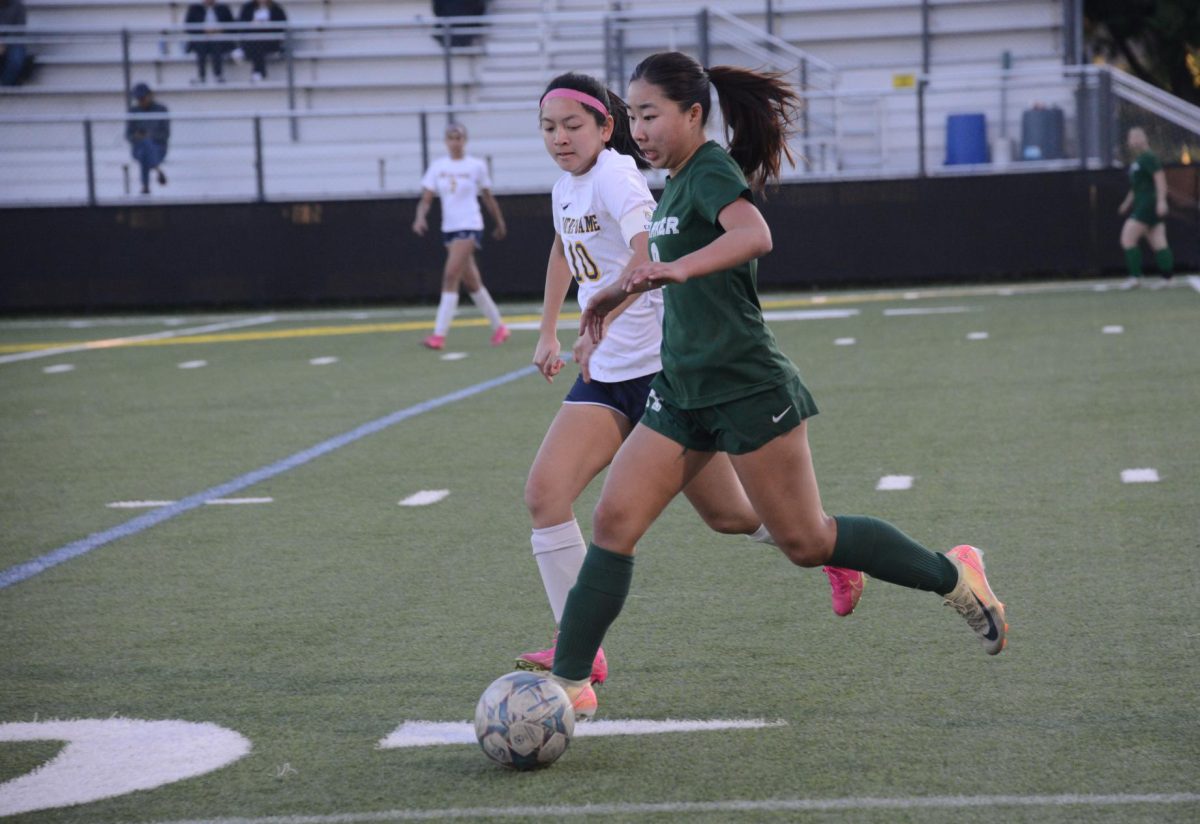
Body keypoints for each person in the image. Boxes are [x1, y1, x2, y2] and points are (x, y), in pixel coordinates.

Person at [548, 52, 1009, 718]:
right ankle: (567, 686)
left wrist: (680, 273)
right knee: (614, 520)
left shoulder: (707, 169)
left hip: (744, 387)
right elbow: (654, 269)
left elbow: (753, 235)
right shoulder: (671, 183)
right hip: (681, 391)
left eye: (650, 115)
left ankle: (955, 573)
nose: (638, 129)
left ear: (694, 115)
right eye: (633, 116)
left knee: (806, 541)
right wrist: (604, 306)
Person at [515, 73, 864, 709]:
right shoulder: (566, 186)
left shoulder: (619, 175)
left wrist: (602, 320)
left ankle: (827, 547)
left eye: (572, 126)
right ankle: (579, 650)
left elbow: (648, 257)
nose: (560, 138)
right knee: (545, 494)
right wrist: (547, 331)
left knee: (730, 516)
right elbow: (562, 252)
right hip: (605, 380)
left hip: (659, 374)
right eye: (548, 128)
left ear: (605, 128)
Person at [411, 122, 509, 350]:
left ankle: (438, 335)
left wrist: (499, 221)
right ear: (446, 141)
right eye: (451, 137)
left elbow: (487, 197)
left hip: (470, 225)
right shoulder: (438, 167)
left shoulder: (475, 165)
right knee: (472, 284)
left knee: (450, 275)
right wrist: (420, 217)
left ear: (465, 140)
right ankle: (500, 327)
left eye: (459, 137)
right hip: (450, 228)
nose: (455, 142)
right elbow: (426, 198)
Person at [1118, 126, 1174, 290]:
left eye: (1134, 137)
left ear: (1143, 139)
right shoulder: (1139, 160)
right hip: (1143, 203)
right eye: (1130, 138)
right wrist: (1126, 203)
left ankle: (1135, 277)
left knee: (1127, 238)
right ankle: (1167, 278)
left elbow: (1160, 180)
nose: (1131, 141)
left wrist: (1161, 201)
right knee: (1158, 240)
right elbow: (1136, 187)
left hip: (1148, 204)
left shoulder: (1149, 157)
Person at [126, 83, 170, 195]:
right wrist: (137, 136)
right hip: (139, 148)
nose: (141, 101)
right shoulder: (133, 111)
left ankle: (145, 186)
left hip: (158, 149)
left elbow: (165, 133)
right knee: (144, 148)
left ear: (150, 95)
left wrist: (148, 136)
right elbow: (128, 135)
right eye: (138, 99)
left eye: (142, 98)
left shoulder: (161, 109)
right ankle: (157, 169)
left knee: (145, 150)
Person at [185, 0, 234, 84]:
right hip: (201, 39)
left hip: (219, 39)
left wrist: (220, 30)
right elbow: (188, 27)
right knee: (201, 46)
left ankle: (218, 75)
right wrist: (203, 30)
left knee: (216, 44)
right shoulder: (195, 9)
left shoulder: (223, 8)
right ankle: (201, 76)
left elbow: (232, 25)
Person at [236, 0, 286, 82]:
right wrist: (252, 24)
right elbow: (241, 24)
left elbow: (282, 25)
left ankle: (244, 51)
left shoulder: (276, 8)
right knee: (256, 43)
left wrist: (268, 26)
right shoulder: (248, 7)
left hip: (271, 41)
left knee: (257, 43)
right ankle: (259, 72)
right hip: (252, 39)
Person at [0, 0, 28, 87]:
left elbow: (19, 30)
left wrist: (5, 44)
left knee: (16, 58)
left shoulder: (18, 6)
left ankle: (5, 86)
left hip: (13, 42)